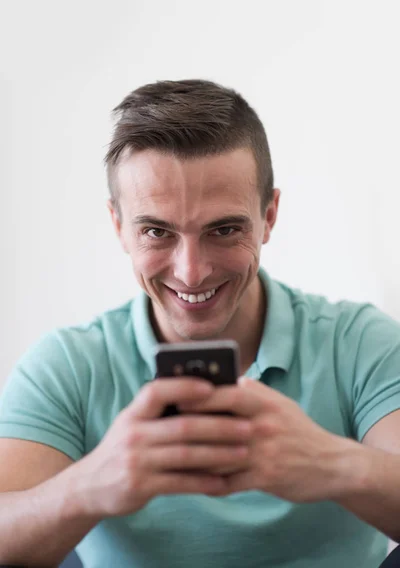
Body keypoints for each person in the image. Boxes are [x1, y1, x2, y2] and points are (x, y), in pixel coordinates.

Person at [1, 79, 400, 568]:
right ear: (118, 226)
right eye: (156, 231)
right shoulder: (68, 366)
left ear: (269, 216)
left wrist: (334, 465)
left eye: (225, 229)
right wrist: (89, 486)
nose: (191, 272)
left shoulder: (358, 342)